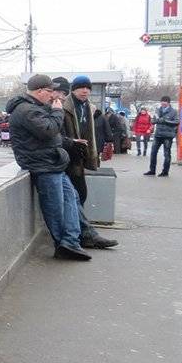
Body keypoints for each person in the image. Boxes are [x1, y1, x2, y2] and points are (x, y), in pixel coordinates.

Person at [7, 74, 90, 261]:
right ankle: (63, 244)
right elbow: (49, 130)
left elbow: (51, 136)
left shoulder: (35, 107)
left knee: (71, 199)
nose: (54, 95)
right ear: (40, 91)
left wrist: (69, 141)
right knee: (55, 207)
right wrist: (58, 111)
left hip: (52, 162)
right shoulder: (26, 110)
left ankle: (71, 241)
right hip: (42, 165)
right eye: (50, 91)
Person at [55, 76, 117, 250]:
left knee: (79, 195)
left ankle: (81, 234)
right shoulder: (64, 106)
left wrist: (92, 155)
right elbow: (55, 133)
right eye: (81, 87)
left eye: (88, 88)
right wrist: (71, 142)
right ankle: (81, 236)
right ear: (73, 89)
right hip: (66, 156)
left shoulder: (88, 107)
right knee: (75, 196)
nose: (85, 91)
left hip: (79, 156)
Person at [145, 96, 179, 177]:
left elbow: (177, 122)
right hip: (158, 135)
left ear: (168, 103)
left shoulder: (174, 111)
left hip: (168, 135)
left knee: (166, 154)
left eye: (165, 102)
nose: (163, 103)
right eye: (162, 101)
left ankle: (165, 172)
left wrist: (165, 121)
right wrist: (155, 120)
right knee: (153, 153)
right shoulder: (158, 110)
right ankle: (152, 170)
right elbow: (153, 121)